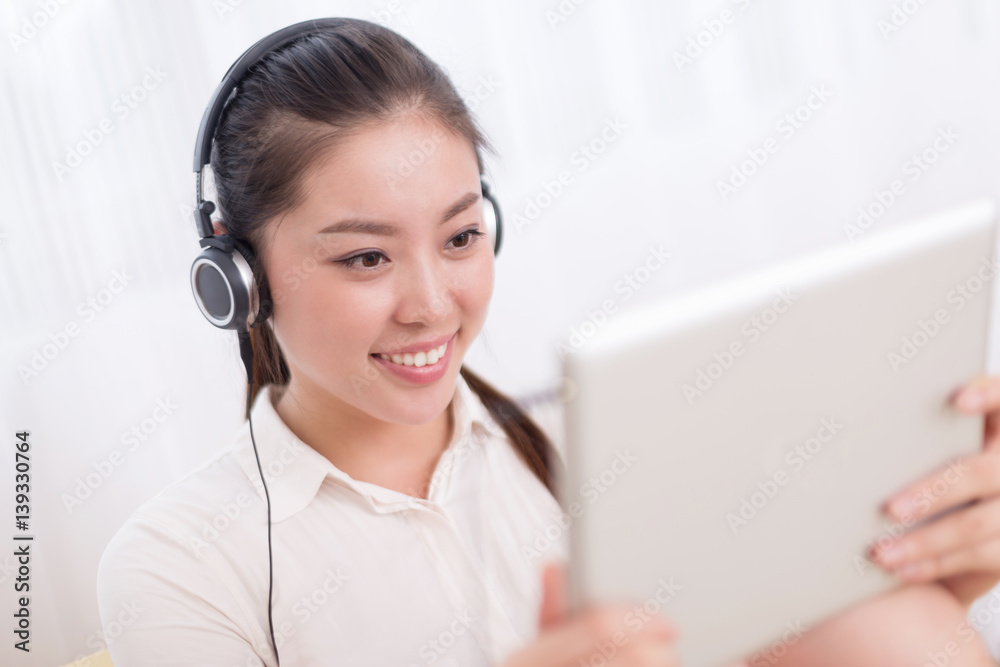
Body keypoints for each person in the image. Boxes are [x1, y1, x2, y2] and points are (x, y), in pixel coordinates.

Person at [97, 17, 1000, 667]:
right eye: (366, 256)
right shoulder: (181, 563)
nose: (431, 304)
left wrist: (930, 571)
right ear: (237, 278)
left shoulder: (606, 443)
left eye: (460, 237)